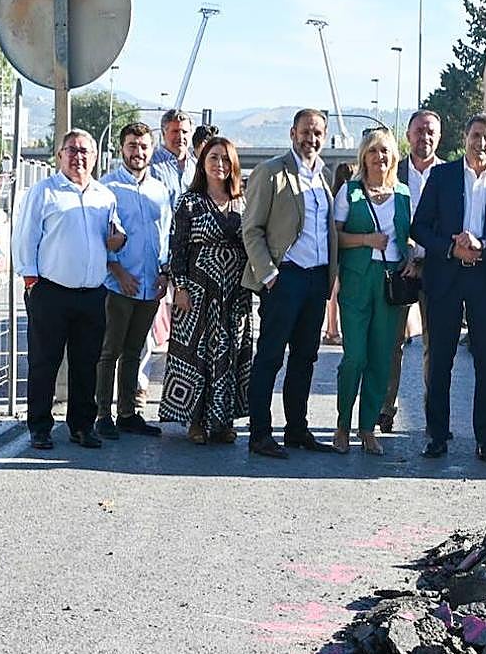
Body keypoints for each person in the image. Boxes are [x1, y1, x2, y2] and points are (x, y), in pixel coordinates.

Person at [412, 112, 486, 462]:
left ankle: (484, 439)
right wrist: (451, 247)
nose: (482, 143)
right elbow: (420, 227)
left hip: (484, 280)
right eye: (476, 135)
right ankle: (437, 436)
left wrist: (484, 244)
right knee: (440, 360)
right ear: (465, 136)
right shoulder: (442, 176)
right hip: (445, 277)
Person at [13, 128, 126, 450]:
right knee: (44, 362)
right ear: (59, 155)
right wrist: (30, 280)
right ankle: (39, 426)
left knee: (86, 364)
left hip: (92, 293)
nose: (78, 157)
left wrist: (120, 241)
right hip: (51, 290)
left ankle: (81, 426)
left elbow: (114, 238)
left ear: (94, 157)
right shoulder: (44, 192)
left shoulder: (105, 196)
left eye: (84, 151)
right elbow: (25, 238)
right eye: (72, 150)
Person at [242, 108, 338, 459]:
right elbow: (250, 229)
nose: (311, 139)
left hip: (315, 281)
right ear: (293, 133)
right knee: (269, 358)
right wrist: (269, 275)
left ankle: (297, 429)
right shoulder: (271, 172)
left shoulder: (323, 177)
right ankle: (259, 434)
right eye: (305, 131)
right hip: (285, 279)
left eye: (317, 133)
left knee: (305, 358)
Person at [159, 136, 252, 444]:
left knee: (231, 354)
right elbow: (178, 249)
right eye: (213, 158)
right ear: (203, 162)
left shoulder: (243, 201)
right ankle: (196, 420)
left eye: (226, 159)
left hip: (234, 293)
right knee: (196, 353)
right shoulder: (189, 202)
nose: (220, 164)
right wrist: (180, 287)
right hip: (197, 292)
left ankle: (223, 421)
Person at [332, 129, 413, 455]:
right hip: (356, 282)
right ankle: (342, 425)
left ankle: (367, 429)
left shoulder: (404, 194)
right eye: (374, 151)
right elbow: (335, 237)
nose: (380, 157)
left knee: (381, 358)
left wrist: (409, 254)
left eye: (385, 152)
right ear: (363, 156)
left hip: (390, 281)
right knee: (355, 357)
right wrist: (365, 240)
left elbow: (406, 235)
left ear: (393, 157)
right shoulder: (349, 192)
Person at [94, 123, 172, 440]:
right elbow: (98, 236)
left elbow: (166, 235)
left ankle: (128, 413)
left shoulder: (160, 190)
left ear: (151, 149)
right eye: (131, 145)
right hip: (118, 286)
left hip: (150, 286)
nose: (137, 152)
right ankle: (102, 415)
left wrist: (165, 273)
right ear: (121, 148)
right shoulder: (106, 188)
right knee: (109, 350)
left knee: (135, 350)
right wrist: (117, 270)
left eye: (143, 146)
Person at [378, 109, 443, 435]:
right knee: (392, 344)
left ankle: (433, 416)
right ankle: (384, 410)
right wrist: (406, 257)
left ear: (439, 136)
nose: (424, 137)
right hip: (399, 269)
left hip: (437, 270)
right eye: (418, 131)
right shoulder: (392, 170)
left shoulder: (449, 174)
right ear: (408, 136)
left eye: (430, 131)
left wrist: (426, 258)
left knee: (437, 346)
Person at [322, 162, 355, 347]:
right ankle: (333, 331)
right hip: (344, 254)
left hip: (332, 253)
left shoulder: (332, 195)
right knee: (337, 293)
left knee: (333, 294)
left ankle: (330, 330)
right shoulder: (350, 194)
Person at [151, 109, 196, 201]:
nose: (180, 136)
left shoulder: (196, 166)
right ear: (163, 134)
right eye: (175, 131)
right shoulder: (151, 165)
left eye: (185, 132)